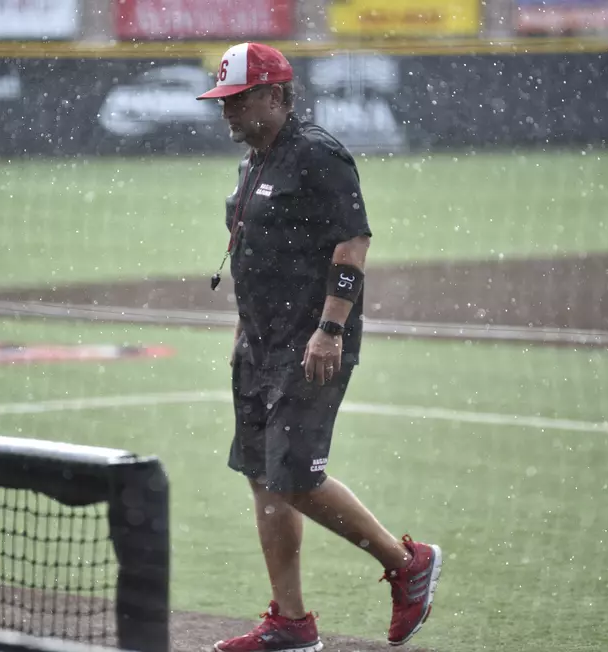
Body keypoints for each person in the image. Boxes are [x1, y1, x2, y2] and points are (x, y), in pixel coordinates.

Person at [196, 43, 444, 651]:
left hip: (310, 346)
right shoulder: (255, 161)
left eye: (237, 100)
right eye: (222, 102)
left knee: (294, 477)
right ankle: (290, 622)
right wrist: (240, 330)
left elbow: (351, 245)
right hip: (259, 344)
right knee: (261, 475)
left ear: (275, 95)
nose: (226, 113)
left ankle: (406, 564)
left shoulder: (317, 155)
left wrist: (330, 329)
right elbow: (254, 255)